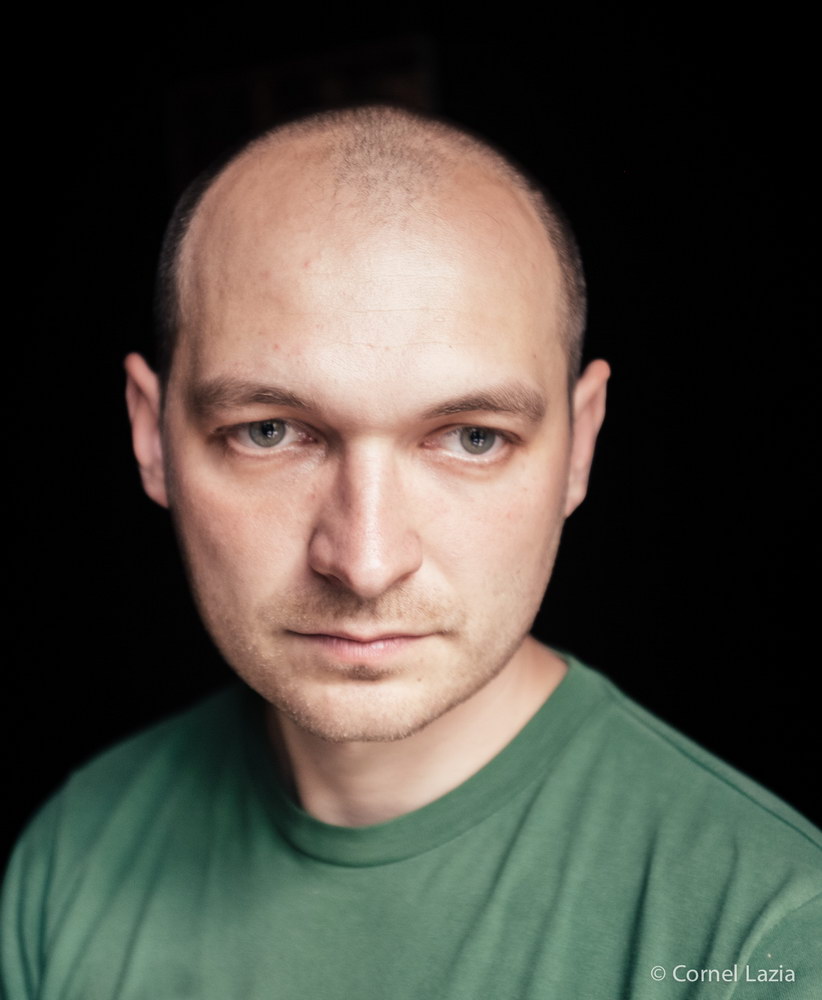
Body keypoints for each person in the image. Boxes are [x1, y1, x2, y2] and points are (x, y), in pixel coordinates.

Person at [2, 105, 819, 999]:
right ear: (151, 436)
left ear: (580, 447)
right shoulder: (71, 856)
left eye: (472, 438)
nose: (365, 561)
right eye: (270, 430)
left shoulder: (765, 934)